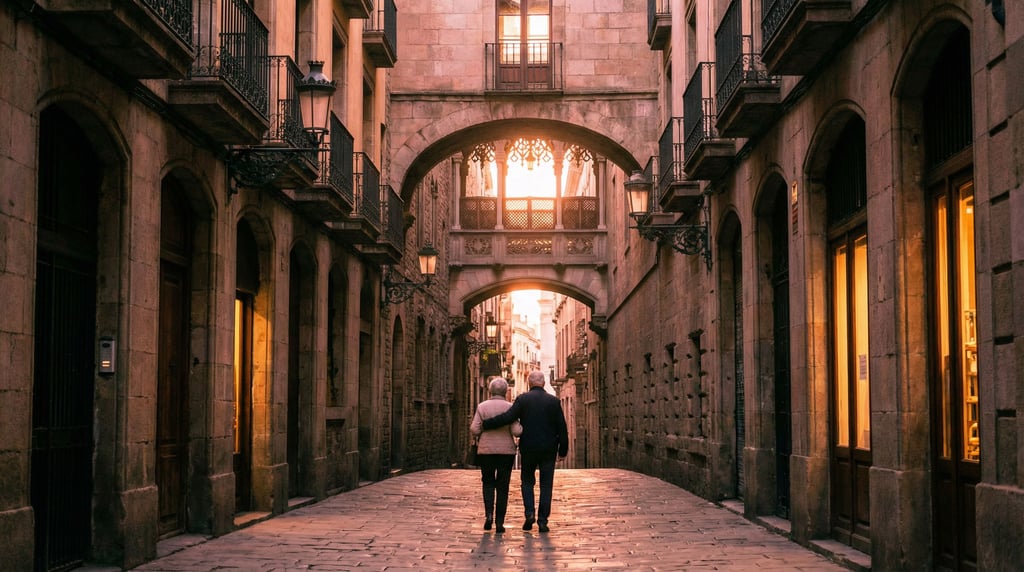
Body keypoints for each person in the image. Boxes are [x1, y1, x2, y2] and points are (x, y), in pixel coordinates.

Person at [482, 369, 568, 533]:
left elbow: (508, 417)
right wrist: (563, 450)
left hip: (528, 448)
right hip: (549, 449)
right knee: (546, 485)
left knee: (527, 482)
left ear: (529, 383)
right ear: (543, 383)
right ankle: (543, 521)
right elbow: (562, 428)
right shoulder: (554, 402)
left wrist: (488, 424)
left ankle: (529, 513)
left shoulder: (523, 399)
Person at [470, 376, 523, 533]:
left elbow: (474, 429)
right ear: (506, 391)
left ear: (490, 390)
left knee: (487, 483)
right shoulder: (510, 407)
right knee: (503, 486)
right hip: (506, 452)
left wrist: (484, 430)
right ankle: (500, 522)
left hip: (486, 450)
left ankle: (488, 516)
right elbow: (517, 431)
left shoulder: (482, 406)